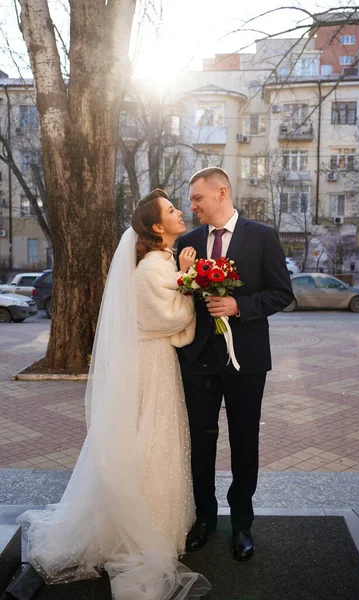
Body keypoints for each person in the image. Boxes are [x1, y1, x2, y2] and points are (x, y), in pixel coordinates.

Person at [17, 190, 210, 600]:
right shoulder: (152, 269)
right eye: (172, 211)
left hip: (154, 361)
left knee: (155, 436)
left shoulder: (162, 262)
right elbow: (168, 318)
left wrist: (184, 278)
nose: (180, 213)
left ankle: (157, 519)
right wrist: (190, 287)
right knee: (149, 437)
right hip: (150, 364)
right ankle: (142, 524)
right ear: (157, 227)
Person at [177, 167, 294, 562]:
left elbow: (282, 293)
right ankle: (205, 518)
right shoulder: (188, 243)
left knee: (245, 440)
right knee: (201, 440)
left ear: (221, 192)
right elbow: (179, 300)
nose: (191, 206)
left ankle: (242, 522)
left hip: (247, 360)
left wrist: (239, 306)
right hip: (198, 360)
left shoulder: (262, 236)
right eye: (191, 200)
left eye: (197, 198)